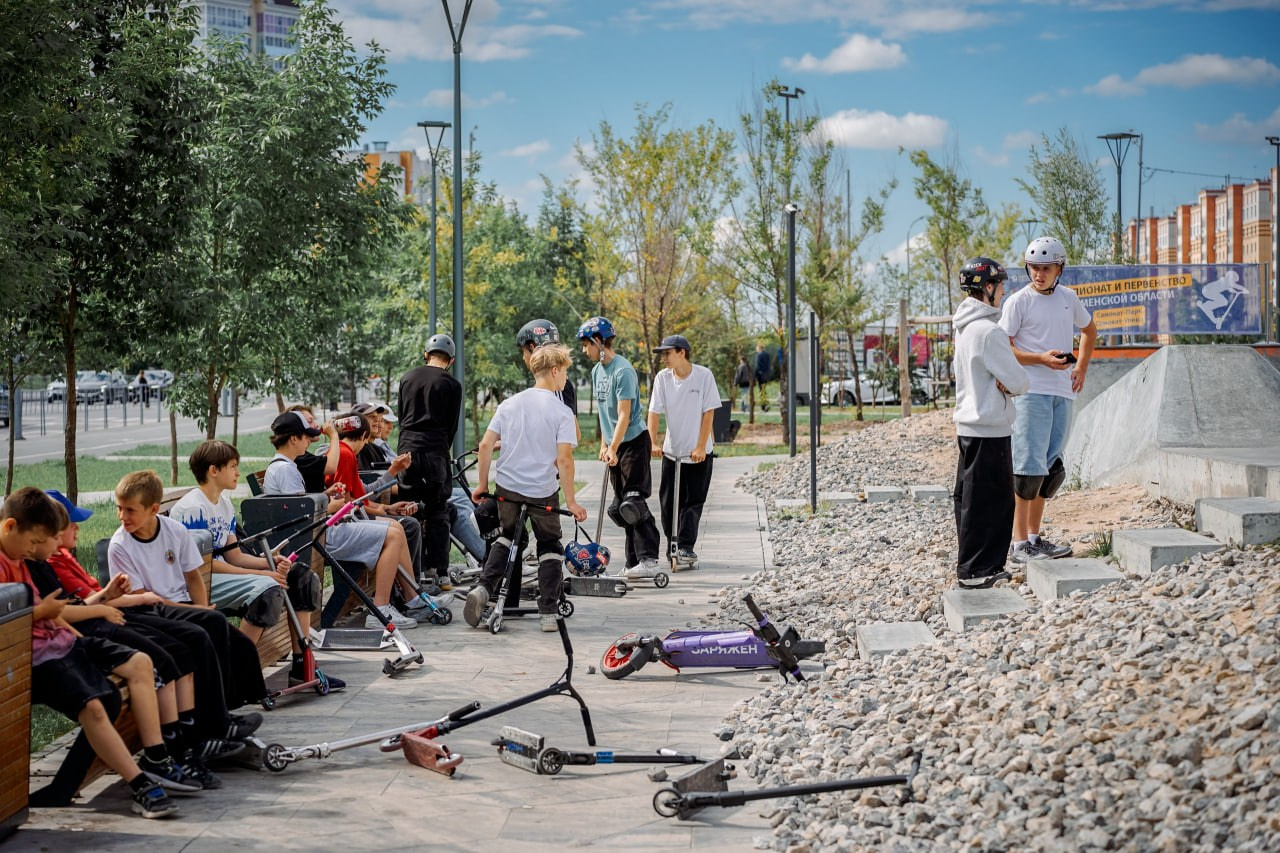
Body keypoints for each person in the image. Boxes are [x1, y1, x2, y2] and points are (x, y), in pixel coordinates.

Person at [41, 490, 251, 795]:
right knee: (174, 654)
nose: (77, 528)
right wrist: (110, 603)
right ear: (49, 530)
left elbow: (83, 602)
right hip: (102, 625)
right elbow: (66, 611)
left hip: (106, 619)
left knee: (197, 641)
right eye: (71, 523)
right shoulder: (58, 560)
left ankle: (198, 737)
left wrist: (107, 600)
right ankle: (179, 748)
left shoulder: (61, 557)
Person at [0, 487, 185, 818]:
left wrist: (67, 619)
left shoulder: (17, 556)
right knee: (98, 707)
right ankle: (142, 785)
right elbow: (28, 616)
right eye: (33, 542)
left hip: (61, 642)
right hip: (35, 658)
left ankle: (157, 754)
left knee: (142, 662)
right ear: (10, 526)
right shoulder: (12, 559)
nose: (33, 550)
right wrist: (51, 613)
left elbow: (49, 613)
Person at [169, 440, 340, 691]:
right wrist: (266, 574)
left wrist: (269, 562)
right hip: (199, 582)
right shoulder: (192, 509)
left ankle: (302, 666)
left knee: (302, 576)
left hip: (219, 574)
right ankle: (236, 676)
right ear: (213, 470)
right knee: (267, 589)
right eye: (233, 466)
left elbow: (234, 556)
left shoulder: (224, 504)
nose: (238, 472)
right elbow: (204, 568)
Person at [107, 470, 271, 711]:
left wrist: (202, 608)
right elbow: (143, 598)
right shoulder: (120, 545)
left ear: (153, 510)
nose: (122, 516)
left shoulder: (174, 531)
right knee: (209, 626)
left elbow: (193, 577)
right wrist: (198, 612)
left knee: (241, 645)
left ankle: (244, 700)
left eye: (130, 510)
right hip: (150, 611)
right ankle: (220, 713)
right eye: (119, 508)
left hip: (179, 605)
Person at [262, 410, 424, 629]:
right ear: (293, 439)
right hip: (317, 537)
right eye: (306, 437)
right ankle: (381, 610)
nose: (309, 441)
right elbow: (302, 516)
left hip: (319, 533)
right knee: (393, 534)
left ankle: (406, 600)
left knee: (395, 530)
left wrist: (326, 496)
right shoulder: (286, 470)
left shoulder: (287, 466)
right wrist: (331, 506)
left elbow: (304, 505)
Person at [464, 344, 587, 631]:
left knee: (506, 537)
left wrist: (483, 484)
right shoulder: (561, 411)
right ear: (555, 371)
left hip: (508, 487)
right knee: (549, 545)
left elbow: (485, 445)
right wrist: (571, 501)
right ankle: (547, 612)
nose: (566, 378)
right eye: (565, 372)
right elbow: (564, 460)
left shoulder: (510, 403)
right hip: (542, 491)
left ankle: (483, 588)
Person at [1000, 237, 1097, 564]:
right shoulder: (1018, 302)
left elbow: (1090, 330)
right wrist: (1040, 359)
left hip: (1061, 391)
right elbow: (1004, 348)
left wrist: (1081, 366)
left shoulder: (1069, 298)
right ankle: (1018, 544)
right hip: (1031, 391)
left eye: (1046, 268)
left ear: (1059, 268)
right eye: (1034, 268)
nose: (1039, 274)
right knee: (1027, 469)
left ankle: (1034, 538)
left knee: (1050, 470)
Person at [951, 258, 1030, 589]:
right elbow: (1020, 381)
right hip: (990, 428)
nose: (1003, 292)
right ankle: (979, 570)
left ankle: (971, 565)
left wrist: (1003, 381)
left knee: (970, 498)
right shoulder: (989, 332)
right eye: (999, 286)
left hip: (969, 426)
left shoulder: (965, 328)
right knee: (994, 502)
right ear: (987, 288)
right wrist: (1010, 383)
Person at [577, 316, 662, 579]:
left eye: (586, 345)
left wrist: (614, 446)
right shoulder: (596, 371)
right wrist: (604, 445)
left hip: (633, 443)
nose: (584, 351)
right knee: (618, 509)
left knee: (632, 503)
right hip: (614, 444)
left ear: (599, 341)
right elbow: (605, 414)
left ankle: (649, 560)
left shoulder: (623, 371)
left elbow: (624, 415)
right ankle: (633, 561)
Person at [647, 335, 720, 569]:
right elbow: (654, 413)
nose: (663, 358)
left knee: (693, 501)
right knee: (668, 503)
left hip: (698, 453)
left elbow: (709, 413)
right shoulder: (662, 378)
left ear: (682, 353)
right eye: (662, 354)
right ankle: (673, 544)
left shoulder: (703, 376)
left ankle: (686, 546)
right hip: (672, 451)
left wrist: (700, 446)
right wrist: (653, 443)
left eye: (667, 354)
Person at [397, 334, 463, 590]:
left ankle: (413, 572)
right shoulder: (452, 385)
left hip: (408, 450)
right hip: (436, 450)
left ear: (426, 354)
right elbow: (452, 426)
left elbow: (403, 417)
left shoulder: (407, 378)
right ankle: (442, 573)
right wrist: (440, 450)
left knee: (409, 506)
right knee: (438, 510)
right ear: (451, 360)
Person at [753, 343, 771, 411]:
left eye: (757, 348)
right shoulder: (767, 355)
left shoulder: (759, 355)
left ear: (759, 348)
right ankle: (765, 404)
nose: (756, 350)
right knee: (763, 390)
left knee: (762, 391)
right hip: (766, 375)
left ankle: (764, 406)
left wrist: (755, 376)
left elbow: (757, 366)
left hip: (760, 375)